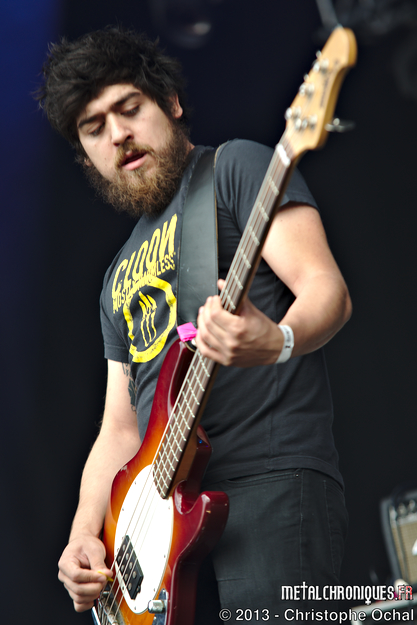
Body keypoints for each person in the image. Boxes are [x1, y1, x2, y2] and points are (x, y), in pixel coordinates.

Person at [37, 26, 352, 623]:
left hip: (268, 483)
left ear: (171, 103)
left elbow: (326, 289)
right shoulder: (115, 277)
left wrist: (278, 339)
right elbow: (119, 428)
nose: (118, 135)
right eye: (94, 128)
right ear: (85, 154)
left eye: (129, 108)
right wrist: (83, 535)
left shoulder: (235, 168)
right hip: (159, 536)